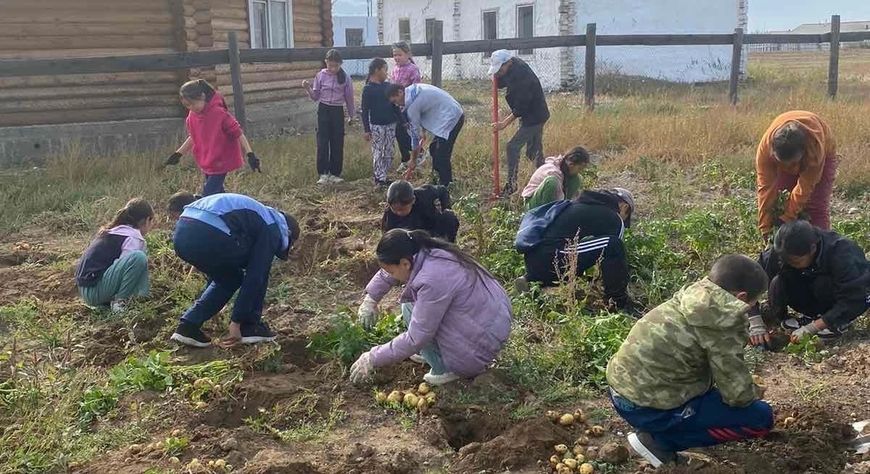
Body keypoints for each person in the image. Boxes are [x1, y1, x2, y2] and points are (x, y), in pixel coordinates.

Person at [606, 254, 774, 468]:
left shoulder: (694, 294)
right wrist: (753, 392)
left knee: (709, 391)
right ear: (741, 297)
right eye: (753, 302)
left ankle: (665, 426)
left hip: (620, 391)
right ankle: (659, 441)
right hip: (646, 408)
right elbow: (737, 395)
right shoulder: (724, 320)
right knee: (761, 418)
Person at [351, 229, 512, 385]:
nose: (392, 276)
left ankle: (445, 368)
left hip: (477, 348)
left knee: (416, 315)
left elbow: (416, 338)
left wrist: (373, 357)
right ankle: (435, 353)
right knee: (409, 304)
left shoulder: (432, 280)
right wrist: (371, 298)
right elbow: (389, 271)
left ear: (405, 263)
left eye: (392, 272)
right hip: (492, 323)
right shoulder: (429, 252)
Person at [168, 192, 299, 348]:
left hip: (181, 234)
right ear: (288, 233)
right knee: (259, 267)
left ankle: (188, 326)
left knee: (228, 278)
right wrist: (237, 321)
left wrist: (212, 306)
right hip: (208, 231)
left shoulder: (261, 215)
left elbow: (219, 274)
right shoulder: (273, 227)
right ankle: (248, 326)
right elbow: (255, 275)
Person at [748, 220, 869, 345]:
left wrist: (814, 327)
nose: (789, 263)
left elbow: (855, 298)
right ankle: (796, 318)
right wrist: (755, 321)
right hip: (805, 296)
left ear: (812, 248)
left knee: (823, 283)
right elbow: (748, 281)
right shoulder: (782, 253)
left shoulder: (841, 252)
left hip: (833, 297)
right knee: (777, 281)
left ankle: (835, 322)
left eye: (795, 261)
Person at [515, 188, 636, 313]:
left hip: (535, 259)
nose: (623, 221)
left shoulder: (582, 205)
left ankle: (531, 280)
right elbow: (616, 258)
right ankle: (617, 302)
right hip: (554, 258)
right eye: (626, 217)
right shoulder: (614, 217)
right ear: (625, 207)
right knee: (614, 245)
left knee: (585, 246)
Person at [165, 80, 261, 196]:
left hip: (221, 159)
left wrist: (250, 154)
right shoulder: (192, 116)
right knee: (217, 194)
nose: (191, 108)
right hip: (208, 160)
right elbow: (193, 136)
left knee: (209, 193)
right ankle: (228, 206)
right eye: (187, 105)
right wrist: (178, 154)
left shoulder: (219, 113)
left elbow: (238, 133)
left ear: (202, 97)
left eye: (193, 103)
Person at [756, 110, 837, 240]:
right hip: (788, 156)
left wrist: (786, 218)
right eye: (784, 165)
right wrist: (765, 228)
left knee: (815, 206)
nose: (791, 169)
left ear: (803, 152)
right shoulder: (765, 150)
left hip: (824, 153)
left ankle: (821, 245)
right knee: (783, 202)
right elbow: (766, 189)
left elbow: (805, 187)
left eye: (793, 164)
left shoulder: (815, 148)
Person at [76, 198, 155, 313]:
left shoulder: (115, 231)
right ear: (148, 220)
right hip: (94, 291)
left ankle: (127, 300)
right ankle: (120, 303)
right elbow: (128, 269)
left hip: (86, 290)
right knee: (138, 258)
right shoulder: (132, 237)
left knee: (139, 259)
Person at [488, 50, 551, 195]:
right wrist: (495, 77)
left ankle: (511, 185)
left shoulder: (523, 76)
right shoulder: (511, 67)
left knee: (512, 147)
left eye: (500, 69)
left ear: (508, 63)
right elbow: (502, 81)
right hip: (530, 115)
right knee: (533, 153)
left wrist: (504, 123)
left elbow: (521, 107)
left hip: (535, 117)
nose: (498, 73)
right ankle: (548, 178)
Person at [387, 83, 464, 186]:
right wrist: (423, 131)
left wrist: (413, 160)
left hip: (452, 117)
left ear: (400, 92)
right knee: (433, 148)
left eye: (395, 101)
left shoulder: (412, 105)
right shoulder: (413, 89)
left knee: (441, 154)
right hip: (450, 111)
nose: (397, 105)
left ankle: (445, 185)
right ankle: (436, 180)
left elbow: (415, 138)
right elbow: (426, 107)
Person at [304, 49, 355, 185]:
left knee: (337, 141)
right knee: (322, 141)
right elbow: (315, 96)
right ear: (326, 62)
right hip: (324, 109)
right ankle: (323, 173)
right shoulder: (320, 76)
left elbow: (349, 98)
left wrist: (352, 115)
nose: (332, 69)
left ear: (340, 64)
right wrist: (308, 88)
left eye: (336, 66)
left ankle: (335, 173)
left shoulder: (345, 78)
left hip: (337, 110)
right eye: (330, 65)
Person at [361, 58, 402, 186]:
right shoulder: (368, 89)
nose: (386, 72)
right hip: (377, 126)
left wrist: (403, 121)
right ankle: (379, 178)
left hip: (390, 124)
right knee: (378, 151)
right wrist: (367, 129)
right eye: (385, 69)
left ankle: (384, 174)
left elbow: (395, 105)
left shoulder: (388, 86)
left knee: (389, 151)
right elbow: (364, 110)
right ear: (376, 70)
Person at [382, 180, 459, 242]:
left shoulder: (426, 194)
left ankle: (448, 247)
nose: (399, 213)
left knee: (449, 216)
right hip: (411, 238)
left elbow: (443, 190)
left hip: (431, 229)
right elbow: (388, 239)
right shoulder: (389, 215)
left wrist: (444, 208)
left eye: (402, 209)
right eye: (395, 210)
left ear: (413, 200)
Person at [521, 146, 591, 210]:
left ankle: (563, 210)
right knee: (551, 181)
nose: (580, 171)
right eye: (579, 168)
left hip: (552, 199)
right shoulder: (553, 171)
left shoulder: (565, 168)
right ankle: (547, 213)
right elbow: (559, 197)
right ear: (571, 164)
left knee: (577, 179)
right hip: (532, 204)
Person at [390, 41, 423, 173]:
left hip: (409, 106)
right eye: (394, 55)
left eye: (399, 55)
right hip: (398, 107)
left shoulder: (412, 69)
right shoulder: (394, 69)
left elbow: (417, 87)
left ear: (408, 54)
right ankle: (406, 158)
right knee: (399, 133)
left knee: (406, 131)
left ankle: (418, 153)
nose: (397, 57)